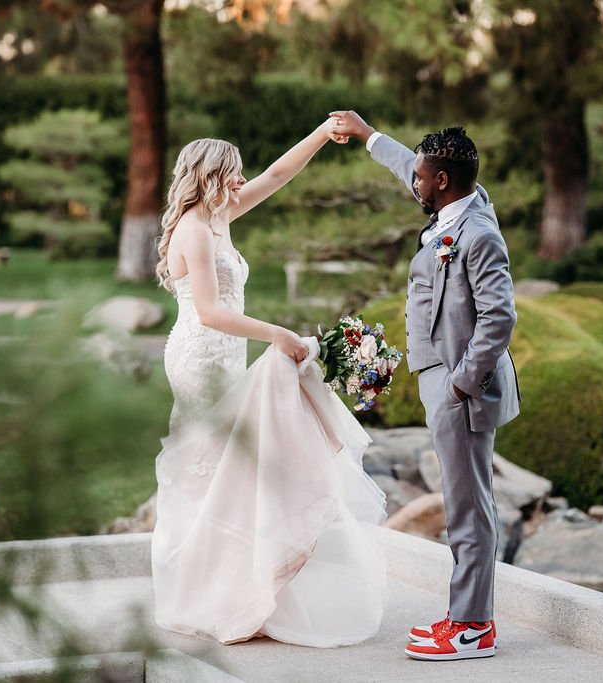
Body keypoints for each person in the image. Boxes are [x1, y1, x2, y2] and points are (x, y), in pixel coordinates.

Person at [150, 122, 387, 647]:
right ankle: (209, 591)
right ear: (209, 178)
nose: (240, 184)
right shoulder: (193, 228)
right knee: (213, 471)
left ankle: (239, 582)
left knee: (233, 471)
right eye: (232, 176)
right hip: (201, 360)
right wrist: (277, 334)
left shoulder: (221, 215)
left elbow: (279, 173)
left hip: (226, 356)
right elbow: (210, 312)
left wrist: (325, 134)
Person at [330, 110, 521, 661]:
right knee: (466, 502)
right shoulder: (457, 202)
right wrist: (369, 137)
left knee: (466, 508)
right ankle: (468, 617)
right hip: (442, 382)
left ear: (440, 180)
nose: (412, 180)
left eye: (420, 175)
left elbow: (499, 318)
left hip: (462, 392)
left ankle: (471, 630)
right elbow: (407, 168)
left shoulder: (477, 233)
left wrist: (460, 385)